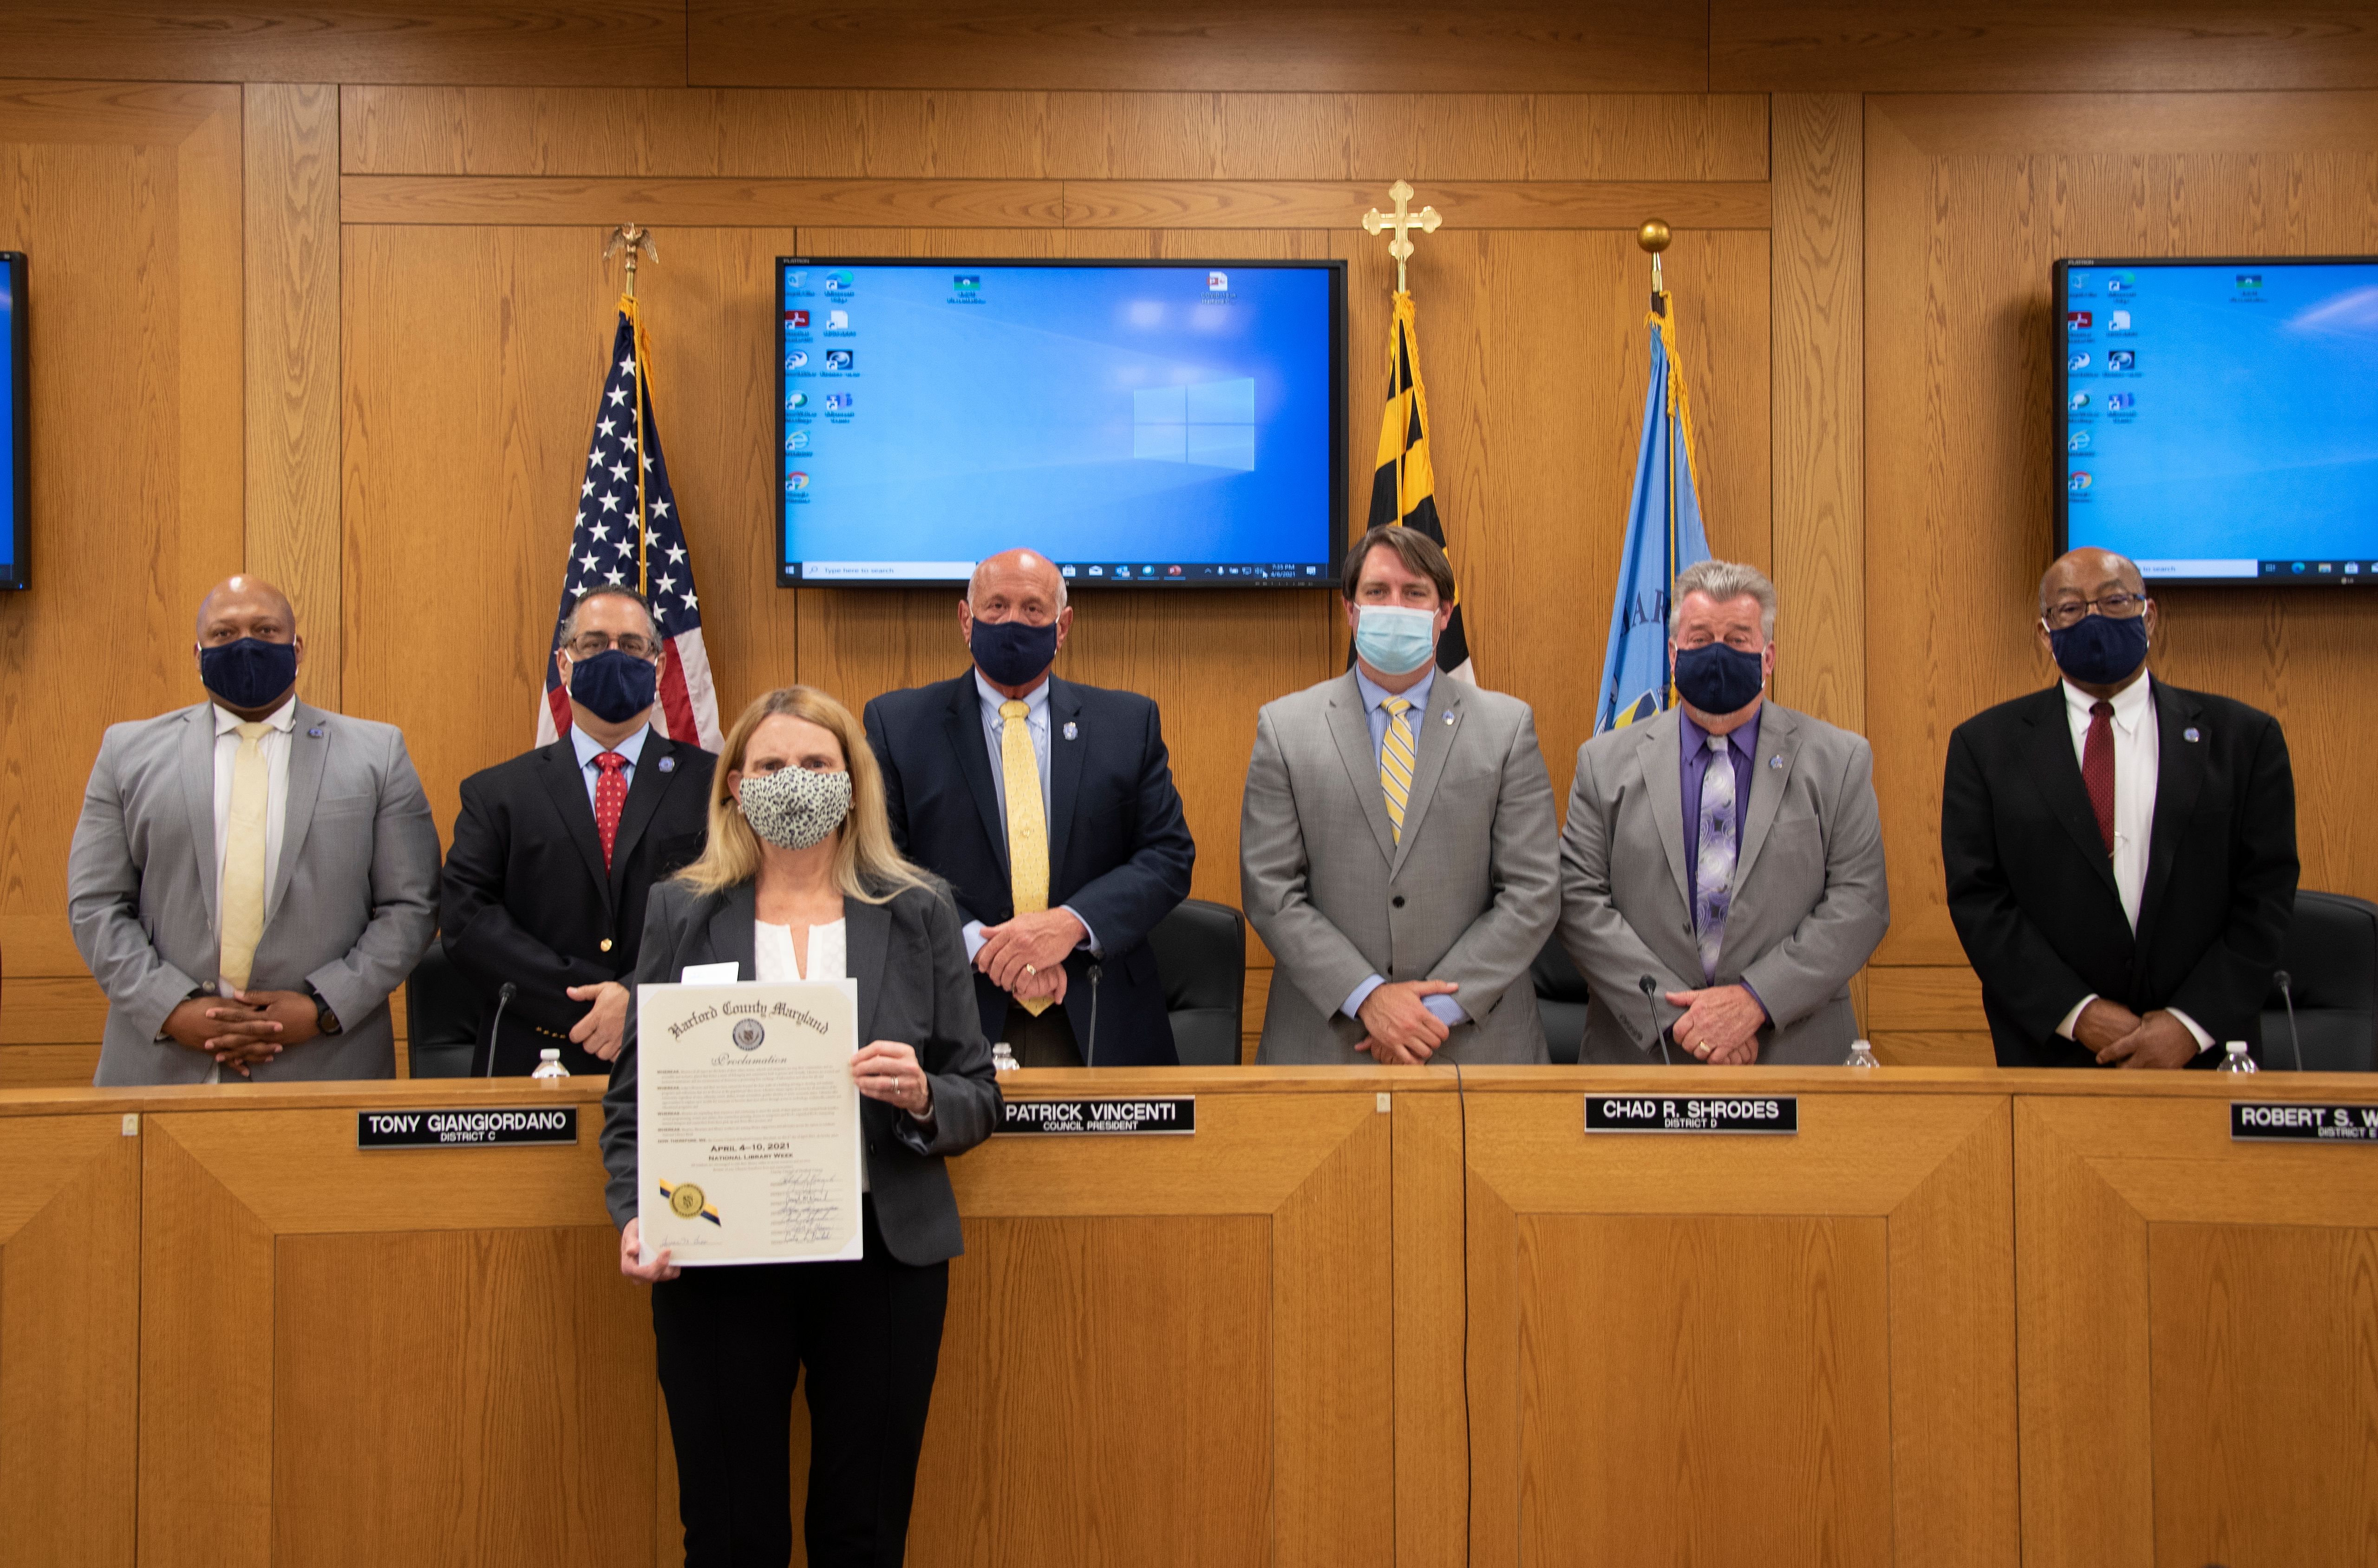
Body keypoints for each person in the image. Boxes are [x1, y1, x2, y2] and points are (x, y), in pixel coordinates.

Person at [602, 685, 1000, 1568]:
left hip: (881, 1255)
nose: (795, 780)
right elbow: (634, 1100)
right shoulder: (680, 911)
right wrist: (635, 1213)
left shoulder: (919, 909)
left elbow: (977, 1092)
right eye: (772, 764)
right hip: (716, 1252)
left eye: (817, 763)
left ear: (853, 782)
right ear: (735, 786)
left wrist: (923, 1096)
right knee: (730, 1532)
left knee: (863, 1534)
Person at [67, 575, 439, 1084]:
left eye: (265, 630)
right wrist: (170, 1008)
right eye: (224, 633)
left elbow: (412, 905)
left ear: (297, 647)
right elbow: (96, 903)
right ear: (198, 654)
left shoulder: (378, 755)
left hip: (326, 1064)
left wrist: (325, 1007)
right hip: (162, 1068)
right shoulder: (126, 754)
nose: (245, 645)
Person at [1943, 547, 2297, 1067]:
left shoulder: (2244, 739)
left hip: (2206, 1057)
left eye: (2113, 601)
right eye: (2070, 608)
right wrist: (2079, 1013)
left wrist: (2189, 1024)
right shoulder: (1984, 747)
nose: (2094, 620)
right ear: (2045, 633)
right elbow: (1980, 902)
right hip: (2054, 1057)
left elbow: (2266, 894)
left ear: (2148, 616)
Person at [862, 548, 1195, 1067]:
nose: (1012, 622)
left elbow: (1168, 856)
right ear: (966, 619)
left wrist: (1069, 925)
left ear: (1062, 627)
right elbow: (881, 863)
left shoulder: (1128, 724)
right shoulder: (899, 725)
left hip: (1099, 1014)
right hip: (953, 1015)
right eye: (996, 606)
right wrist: (985, 947)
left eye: (1033, 609)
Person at [1240, 525, 1559, 1063]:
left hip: (1473, 1042)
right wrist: (1369, 998)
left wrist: (1431, 1012)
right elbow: (1269, 890)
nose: (1395, 606)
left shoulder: (1507, 727)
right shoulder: (1284, 727)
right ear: (1349, 609)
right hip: (1327, 1044)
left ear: (1444, 613)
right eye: (1376, 591)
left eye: (1414, 593)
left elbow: (1532, 890)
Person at [1558, 560, 1889, 1064]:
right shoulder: (1603, 765)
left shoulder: (1838, 761)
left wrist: (1755, 1001)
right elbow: (1578, 901)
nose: (1717, 652)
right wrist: (1682, 1019)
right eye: (1700, 638)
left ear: (1767, 656)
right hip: (1644, 1055)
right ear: (1673, 655)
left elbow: (1861, 902)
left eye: (1737, 639)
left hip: (1793, 1053)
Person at [439, 588, 714, 1074]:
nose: (613, 656)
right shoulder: (497, 793)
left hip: (675, 1050)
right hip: (534, 1052)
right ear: (564, 666)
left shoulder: (713, 788)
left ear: (658, 668)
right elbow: (468, 923)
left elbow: (730, 909)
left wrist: (636, 998)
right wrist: (588, 1004)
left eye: (631, 645)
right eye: (593, 644)